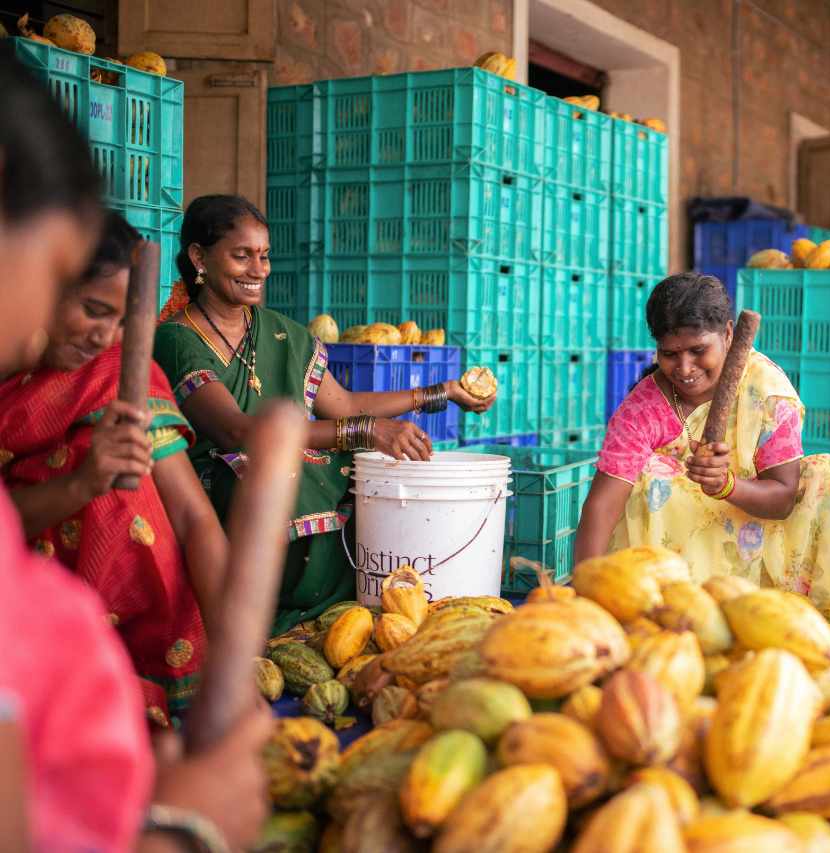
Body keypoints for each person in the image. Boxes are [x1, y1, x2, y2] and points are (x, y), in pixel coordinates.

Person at [0, 53, 270, 852]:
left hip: (151, 651)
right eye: (58, 282)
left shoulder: (135, 375)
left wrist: (236, 668)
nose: (42, 329)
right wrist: (184, 830)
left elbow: (193, 520)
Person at [152, 194, 496, 633]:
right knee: (280, 476)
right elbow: (237, 430)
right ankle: (268, 610)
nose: (259, 270)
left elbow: (346, 405)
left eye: (264, 255)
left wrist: (441, 392)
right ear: (200, 256)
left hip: (287, 457)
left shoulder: (280, 332)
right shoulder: (178, 339)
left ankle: (347, 606)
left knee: (369, 473)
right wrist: (366, 430)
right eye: (242, 256)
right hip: (217, 480)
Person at [0, 211, 225, 722]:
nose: (106, 337)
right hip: (20, 620)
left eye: (123, 322)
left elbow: (193, 519)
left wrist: (238, 666)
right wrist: (82, 483)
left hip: (140, 639)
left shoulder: (123, 379)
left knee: (133, 472)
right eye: (93, 309)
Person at [574, 272, 830, 601]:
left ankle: (807, 607)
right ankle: (671, 604)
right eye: (669, 354)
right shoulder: (642, 407)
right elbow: (602, 506)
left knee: (827, 471)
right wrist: (585, 594)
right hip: (681, 570)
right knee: (648, 476)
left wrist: (727, 486)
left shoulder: (767, 392)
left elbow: (782, 499)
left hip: (762, 534)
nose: (684, 367)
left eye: (697, 350)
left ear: (727, 334)